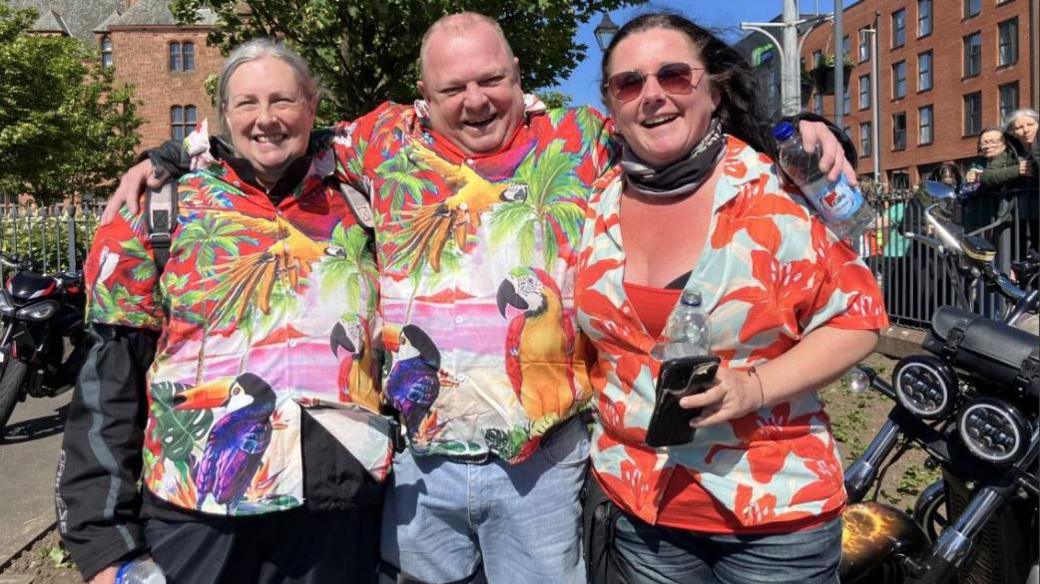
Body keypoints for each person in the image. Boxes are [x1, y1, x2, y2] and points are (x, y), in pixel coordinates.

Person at [101, 12, 856, 583]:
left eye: (490, 79)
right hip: (417, 467)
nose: (474, 100)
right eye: (451, 88)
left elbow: (686, 132)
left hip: (546, 464)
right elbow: (276, 126)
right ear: (421, 97)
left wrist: (806, 125)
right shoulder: (380, 143)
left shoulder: (583, 135)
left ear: (519, 74)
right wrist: (166, 156)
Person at [56, 39, 391, 584]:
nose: (266, 119)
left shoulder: (361, 200)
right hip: (198, 516)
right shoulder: (156, 209)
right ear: (222, 114)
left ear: (312, 106)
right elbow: (107, 383)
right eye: (247, 103)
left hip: (337, 508)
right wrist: (104, 542)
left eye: (283, 100)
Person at [574, 13, 887, 584]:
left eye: (674, 76)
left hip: (774, 512)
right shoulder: (593, 202)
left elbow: (858, 319)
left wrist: (756, 388)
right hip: (641, 506)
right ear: (611, 105)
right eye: (629, 83)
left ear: (713, 89)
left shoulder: (779, 190)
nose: (652, 96)